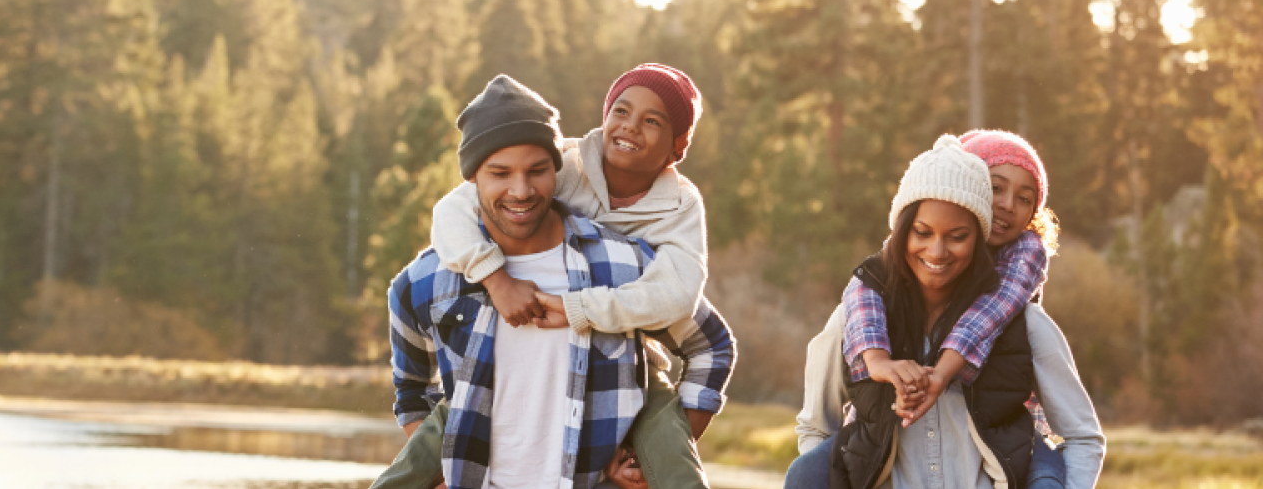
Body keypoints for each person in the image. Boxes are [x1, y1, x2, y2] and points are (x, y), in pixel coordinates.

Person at [379, 75, 736, 489]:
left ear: (554, 170)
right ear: (472, 178)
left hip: (629, 345)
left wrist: (646, 459)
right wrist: (443, 474)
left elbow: (702, 330)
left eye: (536, 171)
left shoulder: (631, 261)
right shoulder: (424, 282)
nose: (520, 189)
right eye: (499, 172)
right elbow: (411, 392)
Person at [785, 136, 1104, 489]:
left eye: (957, 236)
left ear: (976, 235)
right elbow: (817, 430)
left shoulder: (1022, 319)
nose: (937, 251)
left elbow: (1083, 437)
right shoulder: (858, 313)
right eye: (922, 232)